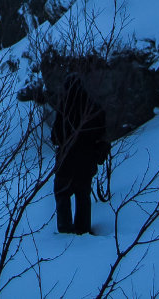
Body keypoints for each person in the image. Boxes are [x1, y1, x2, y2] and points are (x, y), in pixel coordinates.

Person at [52, 73, 108, 235]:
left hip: (66, 162)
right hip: (86, 160)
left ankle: (64, 231)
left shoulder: (64, 109)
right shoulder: (93, 107)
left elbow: (56, 136)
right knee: (83, 195)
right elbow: (102, 134)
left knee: (62, 194)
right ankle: (82, 230)